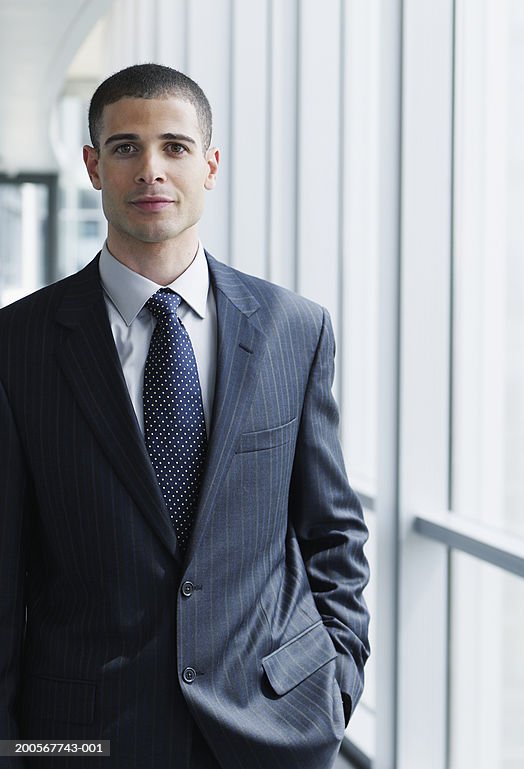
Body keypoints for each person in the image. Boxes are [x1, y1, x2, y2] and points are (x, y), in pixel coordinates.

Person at [0, 63, 370, 769]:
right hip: (83, 738)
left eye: (173, 146)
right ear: (92, 166)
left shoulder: (295, 328)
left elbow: (332, 530)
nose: (151, 170)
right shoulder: (17, 347)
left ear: (210, 165)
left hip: (273, 724)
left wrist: (335, 683)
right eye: (125, 148)